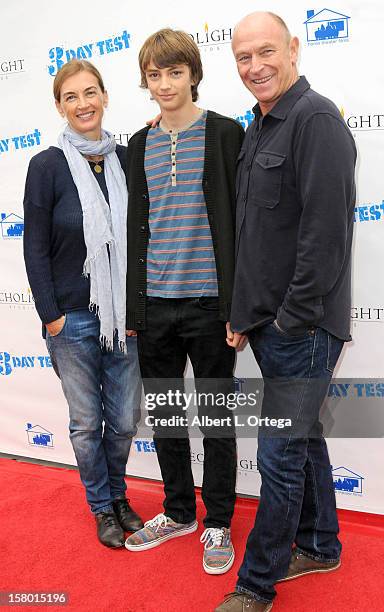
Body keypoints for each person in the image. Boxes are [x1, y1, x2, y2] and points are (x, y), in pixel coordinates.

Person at [215, 11, 356, 612]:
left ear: (293, 48)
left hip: (303, 329)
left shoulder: (315, 119)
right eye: (243, 58)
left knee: (279, 455)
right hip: (271, 328)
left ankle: (255, 584)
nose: (254, 67)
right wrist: (248, 314)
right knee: (304, 441)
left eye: (265, 52)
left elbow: (326, 238)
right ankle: (321, 543)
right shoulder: (258, 127)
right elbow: (259, 236)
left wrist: (291, 320)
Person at [124, 28, 246, 575]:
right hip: (154, 306)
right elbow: (132, 231)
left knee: (218, 420)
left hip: (209, 306)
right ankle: (178, 512)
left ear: (193, 75)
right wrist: (134, 308)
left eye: (176, 72)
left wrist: (237, 307)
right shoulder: (138, 144)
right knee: (167, 416)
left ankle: (218, 519)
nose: (166, 83)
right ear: (146, 82)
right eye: (156, 74)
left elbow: (245, 220)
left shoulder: (226, 134)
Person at [23, 59, 143, 549]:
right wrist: (51, 316)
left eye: (90, 93)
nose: (83, 104)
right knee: (85, 423)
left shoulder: (126, 158)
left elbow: (141, 235)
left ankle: (118, 496)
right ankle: (102, 506)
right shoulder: (47, 166)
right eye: (71, 96)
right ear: (59, 106)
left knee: (123, 420)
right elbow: (34, 247)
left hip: (124, 318)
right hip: (70, 319)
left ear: (105, 96)